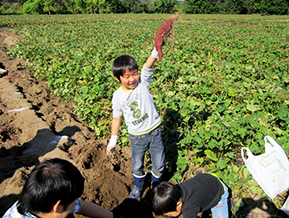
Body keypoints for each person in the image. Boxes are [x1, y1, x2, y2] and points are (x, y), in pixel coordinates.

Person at [106, 45, 165, 199]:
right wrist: (113, 140)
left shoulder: (142, 84)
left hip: (155, 131)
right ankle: (138, 186)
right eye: (126, 76)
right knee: (137, 165)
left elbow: (148, 66)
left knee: (159, 162)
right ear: (118, 78)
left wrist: (156, 50)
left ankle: (155, 186)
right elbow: (116, 118)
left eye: (134, 74)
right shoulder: (117, 96)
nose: (132, 79)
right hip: (137, 137)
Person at [3, 158, 114, 218]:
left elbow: (81, 206)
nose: (75, 203)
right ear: (56, 207)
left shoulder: (38, 202)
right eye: (72, 201)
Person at [152, 173, 229, 218]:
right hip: (205, 179)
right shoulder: (175, 190)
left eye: (170, 214)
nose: (169, 216)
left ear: (179, 204)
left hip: (218, 191)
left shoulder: (189, 209)